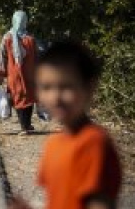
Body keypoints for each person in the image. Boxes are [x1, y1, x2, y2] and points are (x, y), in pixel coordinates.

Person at [35, 41, 122, 209]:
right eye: (46, 87)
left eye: (66, 87)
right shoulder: (53, 143)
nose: (55, 98)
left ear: (89, 88)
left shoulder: (93, 143)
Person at [0, 10, 37, 135]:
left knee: (18, 98)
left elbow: (1, 57)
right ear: (25, 22)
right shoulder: (30, 39)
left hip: (14, 75)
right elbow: (36, 58)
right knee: (28, 98)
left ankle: (25, 126)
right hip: (29, 74)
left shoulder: (7, 37)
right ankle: (26, 125)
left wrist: (0, 73)